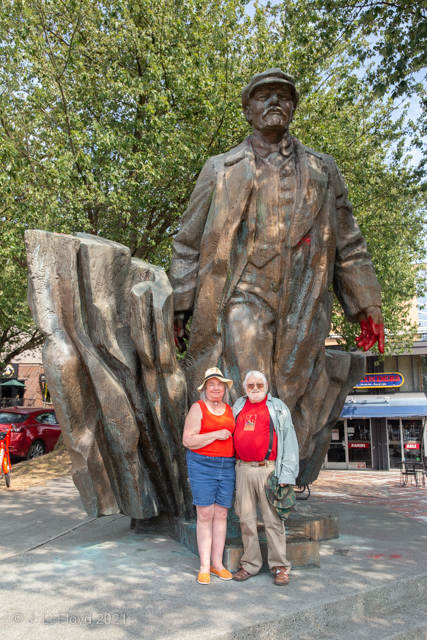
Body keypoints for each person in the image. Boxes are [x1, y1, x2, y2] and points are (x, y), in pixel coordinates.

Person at [169, 69, 384, 480]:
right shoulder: (220, 169)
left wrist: (366, 303)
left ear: (293, 108)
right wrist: (181, 303)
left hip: (304, 297)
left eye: (283, 96)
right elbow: (187, 242)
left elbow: (349, 241)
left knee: (292, 388)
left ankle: (280, 479)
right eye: (264, 96)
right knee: (254, 384)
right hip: (242, 294)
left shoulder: (324, 169)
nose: (274, 103)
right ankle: (254, 483)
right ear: (248, 110)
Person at [232, 370, 299, 585]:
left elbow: (289, 441)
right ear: (244, 387)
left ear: (267, 385)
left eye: (259, 385)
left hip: (269, 470)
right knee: (246, 520)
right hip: (242, 469)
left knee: (272, 520)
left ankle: (280, 567)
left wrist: (287, 475)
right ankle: (250, 564)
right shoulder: (238, 406)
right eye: (250, 385)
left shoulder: (278, 407)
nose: (255, 388)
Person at [182, 367, 236, 584]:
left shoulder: (230, 409)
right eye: (211, 384)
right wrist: (215, 434)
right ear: (205, 388)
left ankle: (217, 564)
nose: (216, 387)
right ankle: (204, 565)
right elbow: (188, 440)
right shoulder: (198, 407)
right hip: (202, 465)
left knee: (222, 514)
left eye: (219, 384)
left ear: (224, 388)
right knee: (205, 514)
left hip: (228, 465)